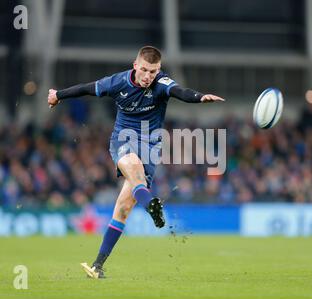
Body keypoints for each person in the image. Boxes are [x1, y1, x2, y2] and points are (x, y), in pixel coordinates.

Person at [47, 46, 224, 279]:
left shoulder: (161, 83)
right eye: (145, 70)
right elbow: (86, 88)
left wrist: (200, 97)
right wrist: (58, 95)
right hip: (124, 138)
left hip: (151, 146)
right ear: (135, 66)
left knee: (123, 208)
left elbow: (181, 91)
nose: (149, 76)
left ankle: (97, 266)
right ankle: (152, 205)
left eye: (154, 71)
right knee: (133, 170)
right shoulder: (117, 82)